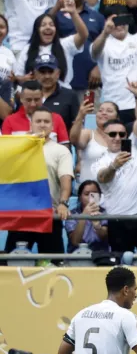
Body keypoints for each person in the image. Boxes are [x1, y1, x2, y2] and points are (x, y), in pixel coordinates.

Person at [94, 82, 137, 254]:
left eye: (121, 134)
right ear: (104, 136)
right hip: (118, 218)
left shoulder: (135, 148)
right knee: (121, 268)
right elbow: (102, 177)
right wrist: (114, 166)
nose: (117, 138)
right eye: (112, 134)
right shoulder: (100, 160)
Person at [2, 106, 72, 255]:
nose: (42, 124)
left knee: (53, 265)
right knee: (11, 264)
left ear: (52, 126)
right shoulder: (17, 147)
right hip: (21, 215)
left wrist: (63, 203)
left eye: (46, 121)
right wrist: (22, 143)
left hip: (49, 214)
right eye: (38, 121)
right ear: (31, 124)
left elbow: (65, 180)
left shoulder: (61, 150)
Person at [92, 0, 137, 124]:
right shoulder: (103, 43)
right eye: (115, 21)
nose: (119, 25)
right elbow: (94, 53)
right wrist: (105, 33)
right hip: (113, 106)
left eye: (123, 20)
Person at [14, 10, 87, 88]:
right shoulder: (27, 49)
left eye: (51, 25)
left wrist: (73, 13)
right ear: (37, 30)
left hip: (63, 94)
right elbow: (18, 77)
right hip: (36, 96)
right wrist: (24, 79)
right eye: (43, 25)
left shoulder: (65, 45)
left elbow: (83, 35)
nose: (48, 27)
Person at [2, 80, 70, 142]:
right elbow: (6, 149)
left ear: (42, 97)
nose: (33, 104)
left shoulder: (57, 119)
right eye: (29, 100)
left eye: (37, 99)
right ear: (21, 98)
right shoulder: (9, 121)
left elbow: (65, 147)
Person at [71, 100, 120, 184]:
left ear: (117, 117)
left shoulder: (121, 137)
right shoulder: (88, 133)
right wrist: (81, 115)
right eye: (100, 110)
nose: (103, 113)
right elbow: (74, 140)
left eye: (109, 111)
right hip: (90, 189)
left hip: (114, 190)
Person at [32, 53, 81, 131]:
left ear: (58, 73)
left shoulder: (70, 96)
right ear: (35, 74)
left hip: (61, 142)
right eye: (42, 72)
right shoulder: (29, 95)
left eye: (50, 72)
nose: (47, 76)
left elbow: (76, 126)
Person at [66, 180, 111, 254]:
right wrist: (84, 216)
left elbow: (104, 237)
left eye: (94, 194)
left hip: (100, 256)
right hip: (77, 256)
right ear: (80, 197)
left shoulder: (105, 213)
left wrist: (97, 226)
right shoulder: (72, 214)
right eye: (87, 194)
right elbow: (75, 241)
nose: (91, 197)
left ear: (99, 196)